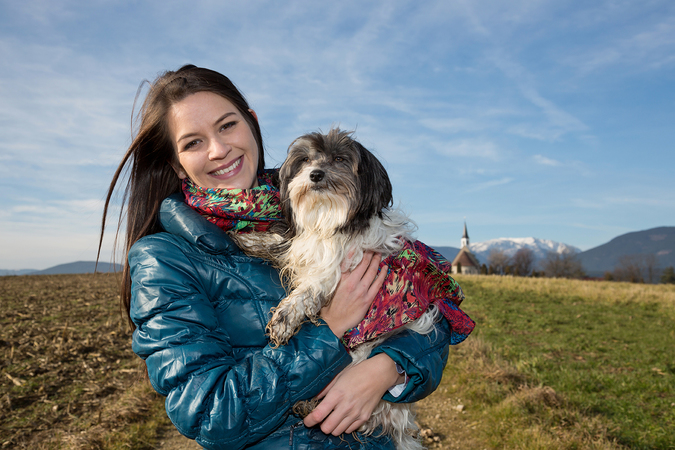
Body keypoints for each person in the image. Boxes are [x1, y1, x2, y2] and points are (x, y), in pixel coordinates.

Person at [99, 65, 456, 449]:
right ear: (176, 165)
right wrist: (329, 330)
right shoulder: (163, 259)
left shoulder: (317, 210)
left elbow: (433, 319)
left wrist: (386, 369)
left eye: (226, 126)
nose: (219, 150)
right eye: (193, 143)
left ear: (252, 124)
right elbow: (210, 415)